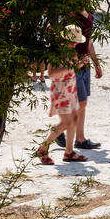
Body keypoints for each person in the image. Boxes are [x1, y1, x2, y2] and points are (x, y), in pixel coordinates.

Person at [35, 25, 87, 164]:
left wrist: (80, 64)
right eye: (73, 41)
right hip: (60, 89)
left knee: (74, 119)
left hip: (70, 87)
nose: (75, 44)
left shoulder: (71, 51)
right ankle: (43, 148)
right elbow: (51, 74)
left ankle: (69, 152)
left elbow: (71, 67)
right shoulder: (57, 53)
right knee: (66, 122)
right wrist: (74, 66)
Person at [56, 9, 103, 150]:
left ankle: (79, 138)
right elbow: (63, 43)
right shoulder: (71, 17)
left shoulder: (88, 16)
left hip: (84, 66)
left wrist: (96, 64)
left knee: (82, 103)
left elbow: (89, 42)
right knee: (80, 103)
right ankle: (62, 132)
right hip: (73, 67)